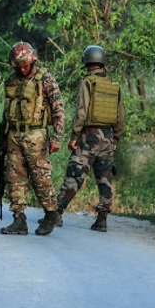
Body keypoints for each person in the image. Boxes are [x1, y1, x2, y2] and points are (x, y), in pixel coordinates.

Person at [56, 44, 126, 232]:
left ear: (87, 61)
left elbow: (81, 112)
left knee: (75, 174)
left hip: (89, 136)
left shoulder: (87, 82)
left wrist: (74, 135)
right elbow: (121, 116)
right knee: (104, 178)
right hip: (108, 137)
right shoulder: (113, 85)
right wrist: (116, 140)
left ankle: (56, 214)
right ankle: (102, 220)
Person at [0, 42, 66, 236]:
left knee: (40, 177)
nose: (22, 68)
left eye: (25, 65)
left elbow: (59, 110)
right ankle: (19, 219)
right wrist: (4, 138)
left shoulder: (45, 79)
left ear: (32, 60)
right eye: (18, 65)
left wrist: (57, 137)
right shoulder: (12, 80)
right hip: (14, 135)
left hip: (36, 134)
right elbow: (7, 112)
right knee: (14, 178)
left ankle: (51, 214)